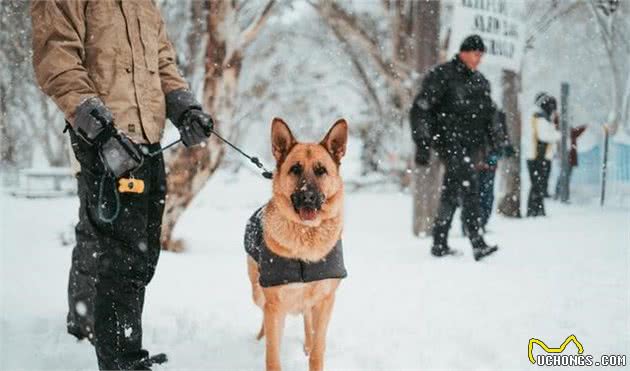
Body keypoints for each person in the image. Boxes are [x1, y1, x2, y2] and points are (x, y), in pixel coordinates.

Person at [31, 1, 214, 369]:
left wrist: (183, 107)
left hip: (148, 140)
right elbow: (56, 54)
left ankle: (114, 342)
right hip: (104, 139)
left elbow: (162, 63)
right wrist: (93, 119)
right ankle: (121, 360)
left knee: (142, 255)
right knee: (121, 257)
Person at [410, 34, 505, 261]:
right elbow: (420, 108)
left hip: (471, 145)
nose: (478, 59)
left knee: (451, 192)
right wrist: (423, 143)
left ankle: (439, 242)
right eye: (475, 54)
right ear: (463, 52)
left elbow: (490, 116)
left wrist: (497, 144)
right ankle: (477, 242)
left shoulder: (481, 82)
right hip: (448, 141)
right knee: (469, 186)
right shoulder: (443, 75)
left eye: (481, 55)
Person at [527, 93, 560, 217]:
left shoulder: (539, 116)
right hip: (537, 156)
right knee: (538, 184)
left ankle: (536, 209)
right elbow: (544, 136)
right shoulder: (540, 118)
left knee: (538, 184)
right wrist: (558, 135)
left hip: (538, 156)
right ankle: (535, 210)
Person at [555, 124, 587, 202]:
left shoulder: (566, 131)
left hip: (568, 157)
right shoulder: (565, 131)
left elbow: (576, 132)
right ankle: (562, 195)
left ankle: (560, 194)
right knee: (565, 177)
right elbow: (576, 132)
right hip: (567, 157)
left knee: (564, 176)